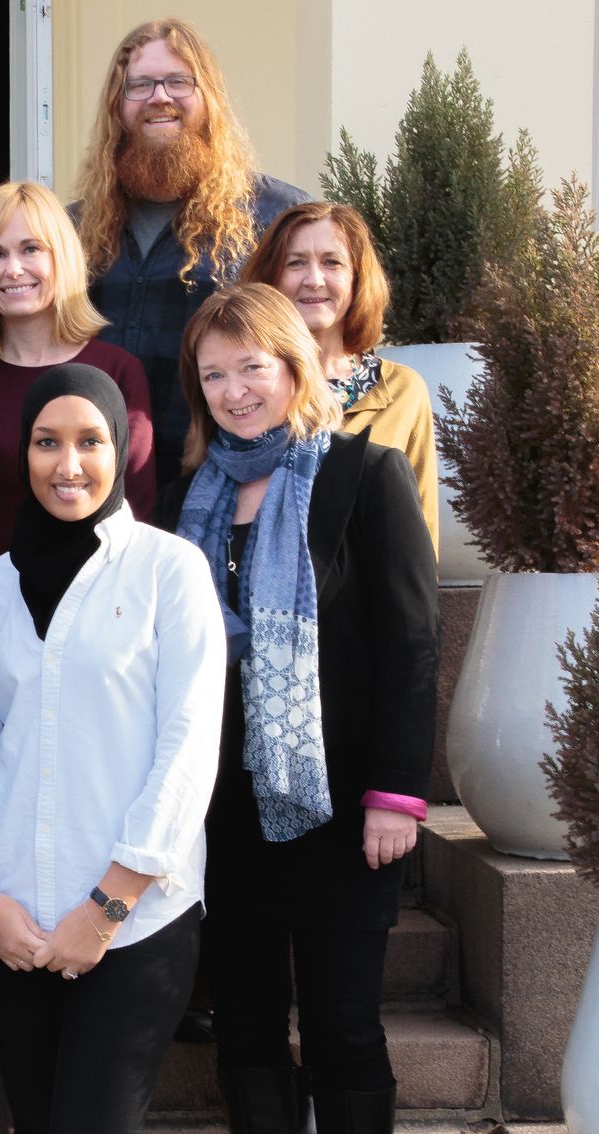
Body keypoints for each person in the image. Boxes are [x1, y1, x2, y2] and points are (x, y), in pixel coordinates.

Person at [157, 284, 437, 1134]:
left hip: (340, 808)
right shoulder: (188, 499)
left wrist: (396, 791)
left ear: (295, 367)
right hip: (225, 812)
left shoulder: (365, 474)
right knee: (244, 1026)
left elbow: (411, 644)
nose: (234, 391)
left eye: (252, 367)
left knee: (342, 1027)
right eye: (213, 375)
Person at [0, 363, 222, 1132]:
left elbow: (188, 750)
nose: (68, 464)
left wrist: (103, 911)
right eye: (47, 442)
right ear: (22, 452)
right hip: (10, 926)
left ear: (123, 448)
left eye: (90, 441)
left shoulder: (170, 571)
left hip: (136, 925)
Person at [0, 180, 157, 637]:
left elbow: (137, 518)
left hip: (94, 637)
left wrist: (75, 643)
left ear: (61, 258)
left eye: (30, 249)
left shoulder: (118, 372)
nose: (13, 269)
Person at [74, 18, 311, 489]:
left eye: (179, 81)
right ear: (117, 105)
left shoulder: (275, 217)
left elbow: (319, 340)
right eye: (139, 85)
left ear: (209, 97)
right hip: (96, 481)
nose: (159, 97)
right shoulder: (74, 228)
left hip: (228, 481)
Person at [238, 201, 438, 550]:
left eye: (332, 262)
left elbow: (422, 535)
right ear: (270, 278)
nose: (314, 280)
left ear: (357, 277)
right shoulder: (240, 386)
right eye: (295, 263)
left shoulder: (403, 391)